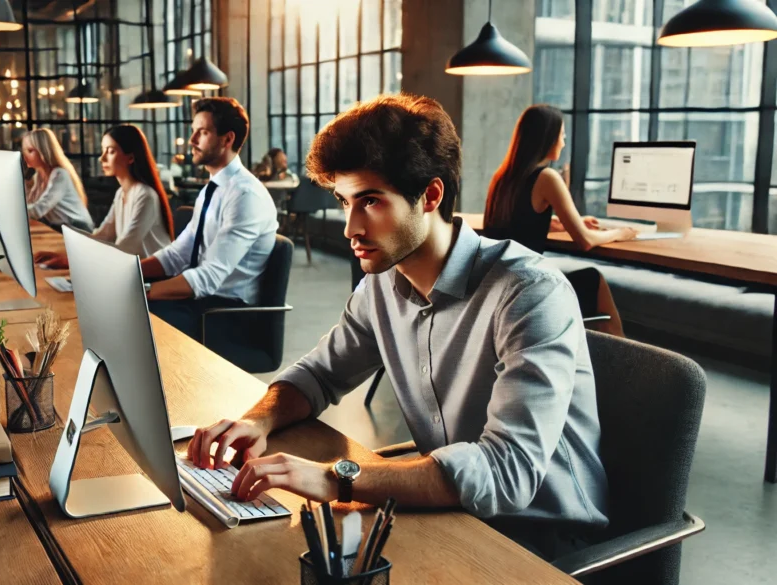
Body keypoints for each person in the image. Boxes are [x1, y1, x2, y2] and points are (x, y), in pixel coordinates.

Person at [185, 94, 608, 561]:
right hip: (448, 517)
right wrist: (256, 420)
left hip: (544, 544)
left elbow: (507, 474)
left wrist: (337, 477)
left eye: (370, 201)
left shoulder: (528, 292)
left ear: (430, 196)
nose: (350, 228)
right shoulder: (384, 284)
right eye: (345, 201)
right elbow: (319, 375)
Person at [484, 105, 634, 335]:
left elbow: (521, 222)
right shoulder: (546, 177)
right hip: (531, 287)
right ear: (548, 138)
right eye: (561, 135)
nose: (563, 142)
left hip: (501, 285)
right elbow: (585, 241)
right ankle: (624, 360)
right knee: (595, 280)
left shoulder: (502, 177)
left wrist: (570, 221)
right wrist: (619, 233)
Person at [142, 97, 279, 339]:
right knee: (124, 312)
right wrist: (126, 274)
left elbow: (208, 277)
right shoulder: (212, 189)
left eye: (202, 132)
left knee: (132, 319)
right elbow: (178, 255)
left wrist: (143, 291)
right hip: (201, 302)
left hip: (227, 314)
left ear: (227, 139)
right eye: (193, 132)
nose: (192, 141)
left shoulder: (245, 195)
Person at [34, 124, 173, 262]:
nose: (102, 158)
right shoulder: (121, 193)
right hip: (129, 269)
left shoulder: (145, 195)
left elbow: (125, 248)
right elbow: (103, 236)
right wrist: (64, 249)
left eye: (110, 151)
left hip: (154, 276)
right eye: (102, 151)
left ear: (130, 158)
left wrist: (71, 260)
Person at [20, 128, 95, 232]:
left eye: (30, 151)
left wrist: (13, 212)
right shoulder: (38, 177)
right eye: (24, 151)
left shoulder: (60, 175)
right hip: (61, 228)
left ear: (43, 151)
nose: (25, 156)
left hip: (78, 228)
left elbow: (38, 210)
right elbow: (29, 205)